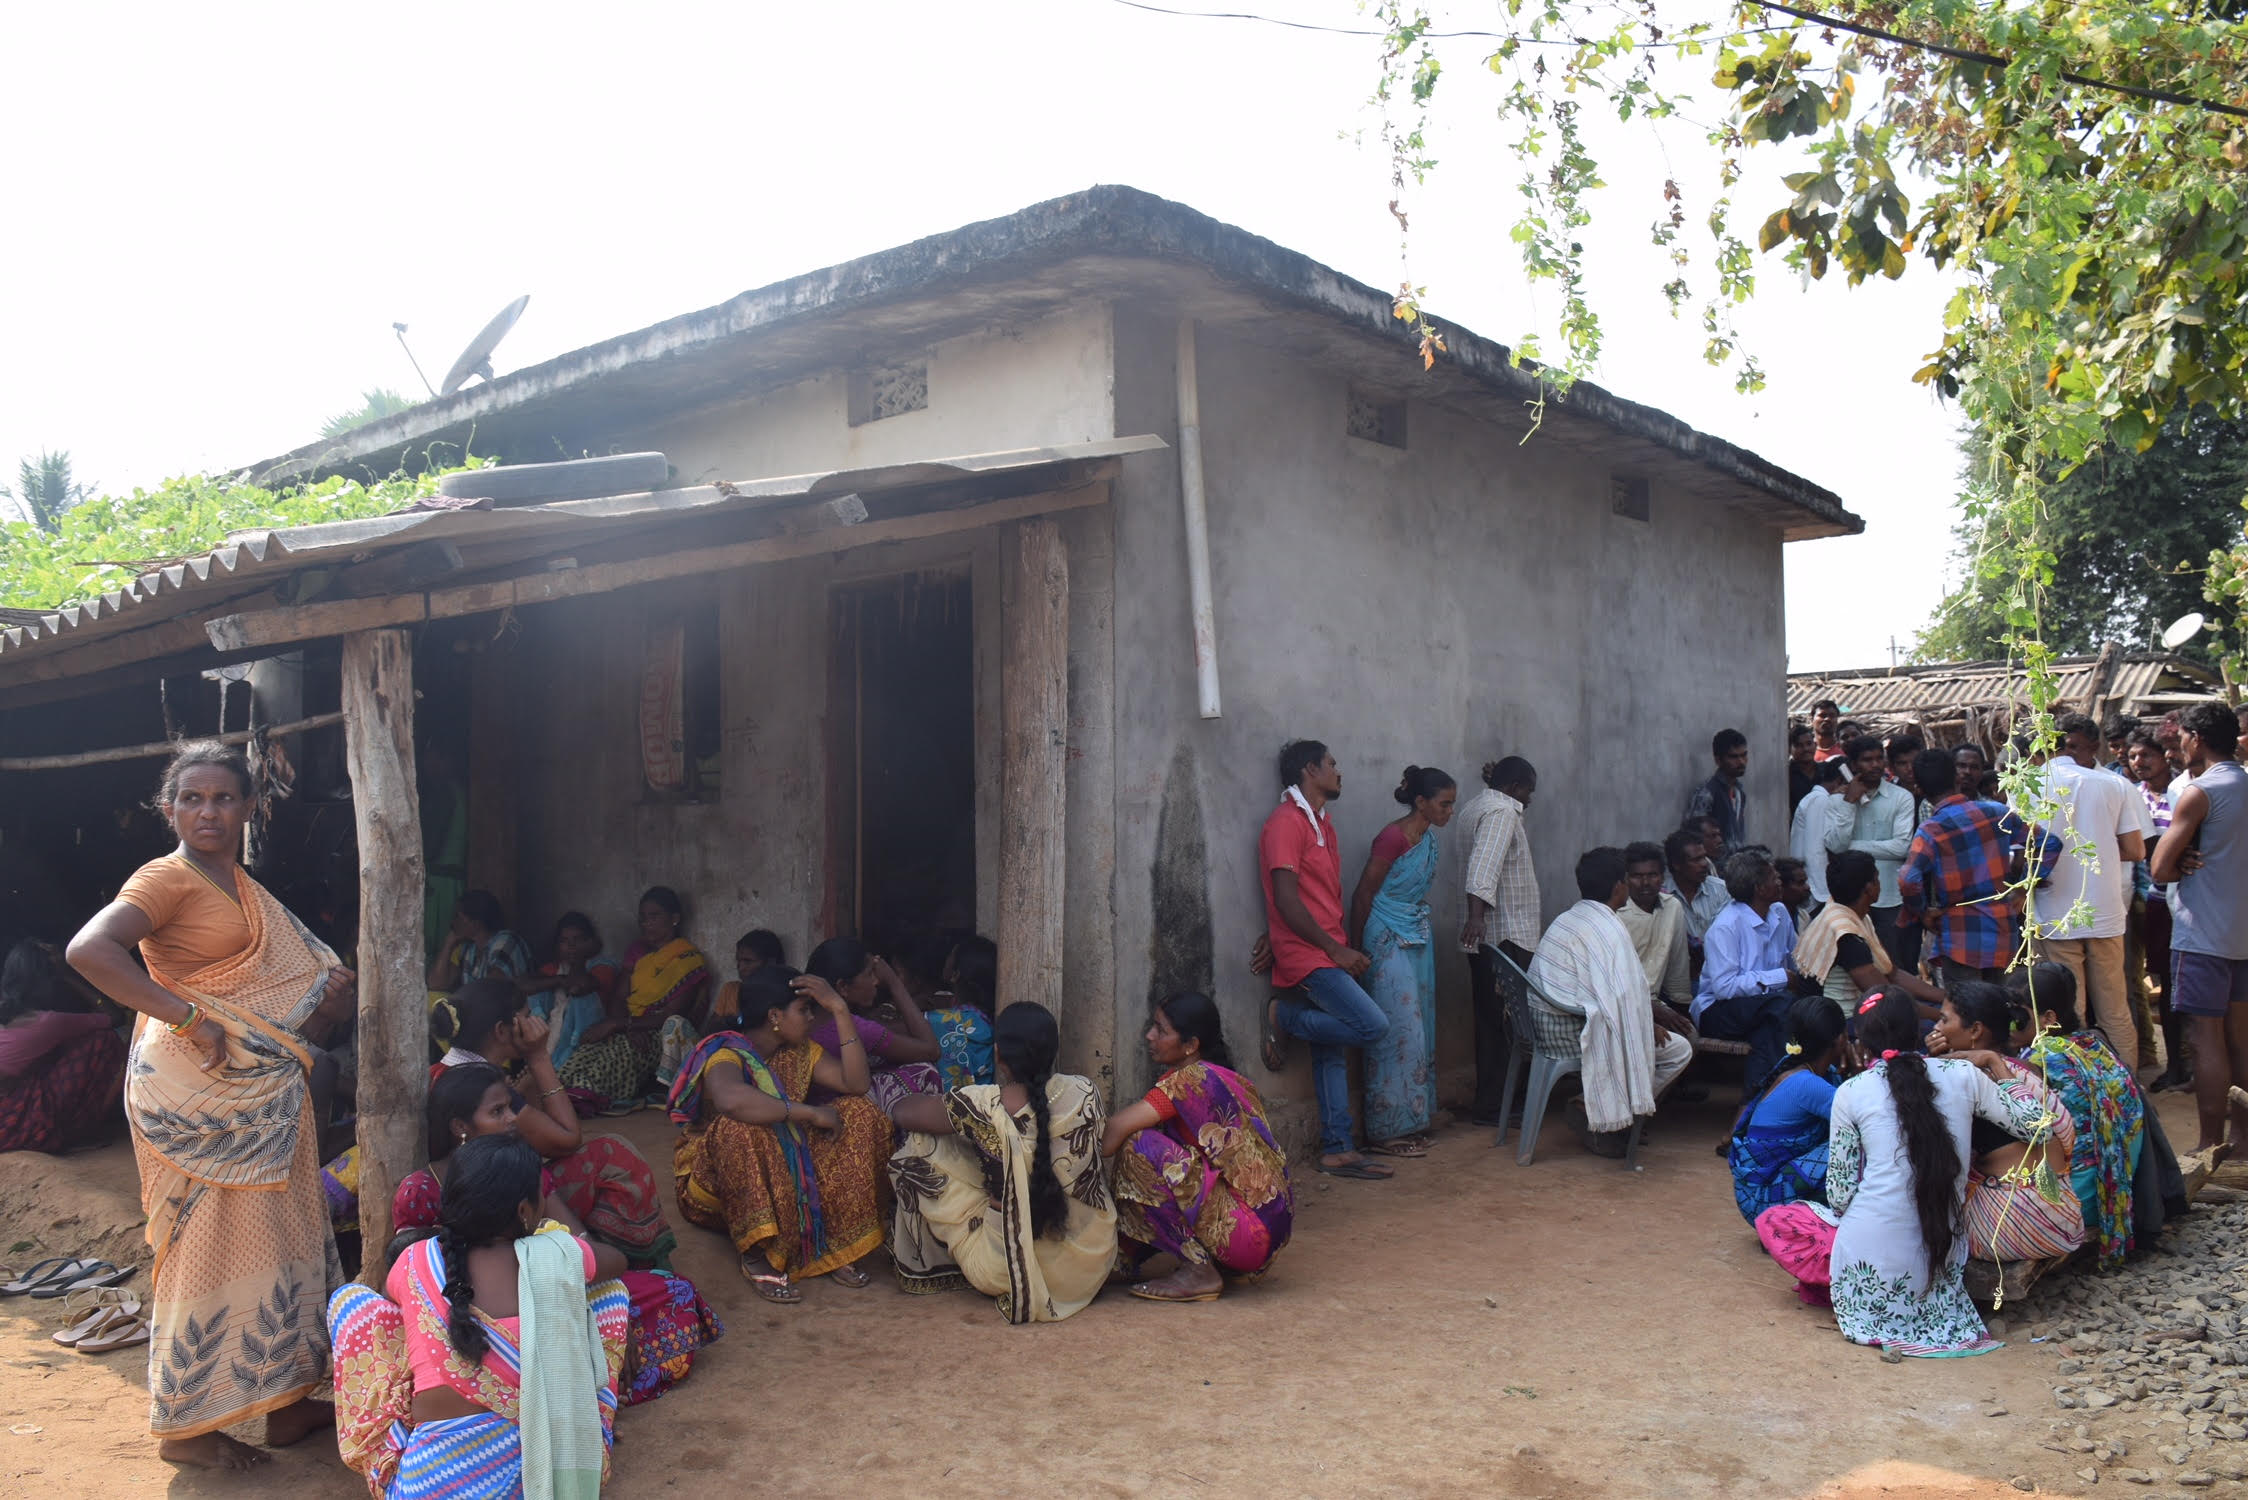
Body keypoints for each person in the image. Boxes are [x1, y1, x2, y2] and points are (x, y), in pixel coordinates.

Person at [65, 741, 350, 1471]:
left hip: (262, 1098)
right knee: (206, 1250)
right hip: (197, 1101)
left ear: (250, 808)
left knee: (282, 1235)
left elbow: (283, 1001)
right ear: (169, 810)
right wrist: (188, 1017)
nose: (208, 811)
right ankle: (186, 1430)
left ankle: (283, 1405)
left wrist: (324, 1005)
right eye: (192, 798)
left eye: (224, 797)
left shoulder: (243, 887)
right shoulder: (166, 878)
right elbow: (90, 951)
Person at [389, 1065, 719, 1406]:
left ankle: (571, 1389)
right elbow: (418, 1294)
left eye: (510, 1107)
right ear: (460, 1127)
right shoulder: (420, 1192)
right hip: (463, 1323)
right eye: (497, 1111)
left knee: (673, 1290)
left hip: (549, 1292)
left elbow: (583, 1242)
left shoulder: (522, 1168)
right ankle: (588, 1393)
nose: (513, 1119)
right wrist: (611, 1319)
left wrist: (612, 1312)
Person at [326, 1135, 630, 1497]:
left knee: (353, 1302)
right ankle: (585, 1436)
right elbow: (617, 1262)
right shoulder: (555, 1256)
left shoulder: (414, 1260)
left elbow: (397, 1310)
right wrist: (557, 1239)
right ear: (523, 1211)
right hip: (540, 1475)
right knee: (609, 1295)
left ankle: (402, 1435)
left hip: (421, 1489)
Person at [1753, 989, 2047, 1353]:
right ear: (1920, 1031)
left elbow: (1841, 1197)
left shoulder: (1852, 1091)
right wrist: (1995, 1062)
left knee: (1780, 1218)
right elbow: (2039, 1126)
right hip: (1940, 1259)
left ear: (1861, 1041)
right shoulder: (1964, 1075)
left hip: (1866, 1272)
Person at [412, 980, 678, 1267]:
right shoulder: (482, 1085)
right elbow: (567, 1139)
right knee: (613, 1155)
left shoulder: (445, 1071)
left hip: (466, 1193)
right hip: (495, 1202)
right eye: (526, 1016)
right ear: (502, 1031)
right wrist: (539, 1056)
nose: (534, 1022)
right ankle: (630, 1262)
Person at [667, 966, 890, 1302]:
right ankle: (758, 1253)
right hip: (714, 1184)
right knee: (740, 1127)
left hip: (783, 1168)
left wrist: (841, 1010)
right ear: (774, 1015)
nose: (811, 1018)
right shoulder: (726, 1052)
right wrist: (810, 1112)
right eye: (803, 1010)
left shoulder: (800, 1052)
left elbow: (857, 1084)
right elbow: (731, 1100)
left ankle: (836, 1244)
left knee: (861, 1113)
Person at [888, 1002, 1117, 1322]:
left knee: (919, 1145)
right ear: (1053, 1051)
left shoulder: (982, 1103)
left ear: (998, 1054)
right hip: (1089, 1264)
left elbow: (903, 1113)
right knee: (1001, 1153)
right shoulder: (1084, 1090)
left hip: (1003, 1269)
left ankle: (934, 1261)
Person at [1105, 991, 1294, 1302]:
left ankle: (1198, 1270)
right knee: (1158, 1155)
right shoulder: (1213, 1076)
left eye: (1161, 1030)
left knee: (1139, 1146)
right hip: (1261, 1234)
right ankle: (1127, 1260)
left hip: (1248, 1235)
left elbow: (1114, 1134)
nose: (1149, 1036)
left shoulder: (1192, 1079)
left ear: (1191, 1045)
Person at [1259, 740, 1393, 1177]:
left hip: (1326, 948)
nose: (1339, 770)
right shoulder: (1285, 822)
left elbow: (1314, 897)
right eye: (1332, 763)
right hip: (1309, 957)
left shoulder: (1322, 824)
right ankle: (1287, 1018)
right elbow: (1285, 897)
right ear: (1309, 769)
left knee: (1330, 1051)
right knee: (1373, 1025)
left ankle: (1337, 1148)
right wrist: (1334, 948)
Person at [1529, 848, 1694, 1152]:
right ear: (1620, 886)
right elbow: (1617, 996)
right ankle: (1596, 1112)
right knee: (1678, 1050)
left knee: (1657, 1043)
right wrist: (1645, 1026)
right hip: (1566, 1031)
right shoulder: (1608, 928)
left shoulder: (1572, 916)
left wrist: (1644, 1019)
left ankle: (1594, 1108)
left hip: (1543, 1023)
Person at [1926, 983, 2086, 1267]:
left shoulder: (1964, 1080)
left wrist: (1935, 1065)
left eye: (1944, 1019)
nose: (1936, 1028)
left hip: (2004, 1230)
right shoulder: (2027, 1069)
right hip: (2063, 1219)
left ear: (1975, 1030)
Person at [2028, 714, 2153, 1073]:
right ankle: (2126, 1091)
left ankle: (2081, 1091)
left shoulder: (2030, 786)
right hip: (2106, 912)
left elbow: (2022, 852)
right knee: (2115, 1010)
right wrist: (2098, 850)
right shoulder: (2111, 783)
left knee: (2069, 1012)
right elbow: (2136, 850)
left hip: (2055, 915)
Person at [2150, 701, 2248, 1154]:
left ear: (2198, 738)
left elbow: (2159, 869)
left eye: (2182, 736)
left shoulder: (2199, 792)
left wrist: (2179, 859)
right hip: (2241, 932)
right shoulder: (2244, 783)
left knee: (2205, 1039)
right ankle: (2242, 1142)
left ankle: (2209, 1146)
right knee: (2240, 1040)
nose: (2178, 745)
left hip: (2202, 933)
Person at [1346, 765, 1457, 1155]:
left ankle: (1413, 1116)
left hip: (1414, 928)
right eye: (1444, 804)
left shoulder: (1428, 839)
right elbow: (1363, 895)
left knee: (1420, 1024)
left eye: (1451, 805)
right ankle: (1385, 1129)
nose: (1449, 812)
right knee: (1397, 1027)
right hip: (1386, 932)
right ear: (1421, 802)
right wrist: (1356, 948)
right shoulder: (1392, 838)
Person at [2009, 965, 2143, 1266]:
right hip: (2120, 1186)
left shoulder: (2041, 1061)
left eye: (2018, 1016)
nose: (2010, 1025)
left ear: (2049, 1018)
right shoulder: (2092, 1044)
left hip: (2085, 1200)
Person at [1898, 746, 2043, 988]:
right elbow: (2048, 843)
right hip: (2001, 931)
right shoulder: (1996, 812)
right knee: (2004, 1006)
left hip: (1959, 935)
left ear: (1919, 789)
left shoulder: (1931, 830)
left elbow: (1908, 879)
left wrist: (1922, 911)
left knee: (1968, 1011)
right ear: (1954, 777)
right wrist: (2025, 888)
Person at [558, 887, 710, 1105]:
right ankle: (562, 1091)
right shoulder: (636, 951)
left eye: (654, 916)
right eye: (642, 917)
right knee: (592, 1047)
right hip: (626, 1026)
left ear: (675, 918)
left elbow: (670, 1015)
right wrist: (624, 1026)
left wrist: (622, 1025)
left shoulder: (687, 959)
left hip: (659, 1034)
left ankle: (586, 1095)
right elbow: (620, 997)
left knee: (622, 1053)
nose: (646, 923)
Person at [1457, 755, 1540, 1130]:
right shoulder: (1502, 812)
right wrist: (1477, 917)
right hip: (1504, 935)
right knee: (1507, 1025)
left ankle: (1494, 1102)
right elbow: (1482, 867)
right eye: (1529, 791)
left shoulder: (1475, 806)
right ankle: (1498, 1104)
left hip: (1492, 936)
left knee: (1492, 1022)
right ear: (1514, 787)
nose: (1530, 800)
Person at [1729, 995, 1847, 1224]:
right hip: (1764, 1203)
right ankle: (1796, 1225)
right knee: (1850, 1147)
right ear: (1839, 1039)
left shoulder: (1798, 1068)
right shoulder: (1808, 1084)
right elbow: (1863, 1120)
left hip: (1755, 1196)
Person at [0, 938, 125, 1153]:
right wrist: (68, 975)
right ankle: (78, 1131)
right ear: (48, 981)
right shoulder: (47, 1023)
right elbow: (115, 1016)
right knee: (104, 1040)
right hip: (10, 1119)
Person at [1693, 851, 1799, 1090]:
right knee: (1781, 1004)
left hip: (1767, 1010)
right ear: (1759, 888)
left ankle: (1755, 1101)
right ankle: (1785, 1087)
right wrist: (1780, 978)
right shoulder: (1725, 927)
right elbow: (1724, 988)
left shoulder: (1780, 913)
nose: (1780, 881)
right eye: (1774, 878)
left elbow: (1796, 958)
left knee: (1770, 1026)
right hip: (1718, 1011)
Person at [1796, 849, 1944, 1016]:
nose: (1880, 884)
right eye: (1877, 879)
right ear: (1868, 888)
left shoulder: (1849, 914)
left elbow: (1892, 973)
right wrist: (1942, 1016)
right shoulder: (1845, 933)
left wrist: (1947, 998)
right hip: (1841, 1023)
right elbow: (1885, 999)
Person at [804, 936, 944, 1112]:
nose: (876, 981)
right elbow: (931, 1050)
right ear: (843, 987)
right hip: (840, 1117)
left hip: (811, 1112)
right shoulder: (858, 1029)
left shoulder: (803, 1017)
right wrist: (894, 983)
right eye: (869, 974)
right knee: (922, 1070)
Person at [2126, 730, 2187, 1089]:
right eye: (2134, 756)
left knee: (2183, 981)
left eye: (2146, 755)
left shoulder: (2183, 793)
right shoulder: (2133, 796)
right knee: (2161, 979)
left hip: (2180, 898)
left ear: (2165, 756)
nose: (2139, 762)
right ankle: (2177, 1063)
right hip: (2148, 898)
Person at [1832, 733, 1920, 975]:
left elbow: (1902, 847)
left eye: (1878, 759)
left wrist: (1853, 847)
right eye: (1867, 760)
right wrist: (1850, 802)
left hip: (1889, 896)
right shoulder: (1839, 798)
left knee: (1892, 964)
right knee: (1856, 963)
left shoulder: (1901, 797)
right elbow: (1835, 845)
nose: (1874, 765)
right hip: (1850, 897)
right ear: (1853, 765)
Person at [521, 911, 619, 1073]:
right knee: (537, 990)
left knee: (581, 998)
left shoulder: (602, 965)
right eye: (565, 941)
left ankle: (557, 1062)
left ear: (590, 942)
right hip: (553, 1035)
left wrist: (579, 958)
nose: (571, 946)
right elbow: (523, 985)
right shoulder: (557, 968)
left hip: (586, 1038)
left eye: (578, 940)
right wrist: (559, 980)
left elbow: (578, 988)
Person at [1615, 842, 1696, 1030]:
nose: (1645, 883)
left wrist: (1681, 1011)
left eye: (1652, 875)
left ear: (1662, 877)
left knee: (1690, 1037)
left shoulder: (1672, 907)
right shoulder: (1617, 913)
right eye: (1637, 876)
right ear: (1626, 879)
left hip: (1658, 1002)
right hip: (1623, 1005)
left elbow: (1678, 968)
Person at [425, 890, 534, 998]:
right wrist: (448, 943)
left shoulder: (506, 940)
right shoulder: (468, 949)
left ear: (475, 923)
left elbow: (491, 987)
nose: (453, 922)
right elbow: (435, 984)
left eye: (457, 916)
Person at [926, 934, 998, 1090]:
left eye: (951, 955)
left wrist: (893, 983)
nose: (946, 958)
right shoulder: (982, 1015)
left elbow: (895, 1032)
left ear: (956, 974)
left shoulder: (959, 1020)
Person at [1662, 827, 1731, 969]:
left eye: (1704, 857)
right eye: (1696, 860)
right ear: (1677, 865)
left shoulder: (1722, 890)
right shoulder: (1663, 897)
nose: (1705, 864)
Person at [1789, 757, 1849, 907]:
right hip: (1814, 890)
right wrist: (1823, 894)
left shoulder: (1819, 799)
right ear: (1841, 780)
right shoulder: (1820, 800)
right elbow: (1815, 851)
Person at [704, 928, 786, 1033]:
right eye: (738, 961)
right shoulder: (731, 990)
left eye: (748, 961)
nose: (740, 967)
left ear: (771, 962)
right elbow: (709, 1032)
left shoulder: (781, 996)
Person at [1685, 729, 1750, 859]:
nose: (1741, 762)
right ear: (1718, 760)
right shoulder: (1707, 793)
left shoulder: (1739, 793)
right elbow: (1693, 838)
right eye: (1734, 757)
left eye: (1744, 755)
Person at [1788, 723, 1819, 817]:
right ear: (1789, 749)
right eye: (1799, 745)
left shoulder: (1825, 771)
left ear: (1815, 745)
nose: (1805, 749)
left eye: (1809, 744)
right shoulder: (1786, 776)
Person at [1774, 856, 1814, 928]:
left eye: (1805, 882)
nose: (1807, 887)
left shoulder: (1804, 917)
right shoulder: (1772, 920)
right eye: (1800, 883)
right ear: (1782, 887)